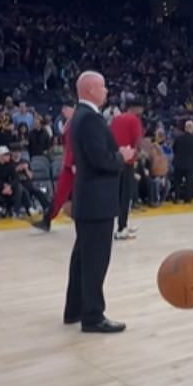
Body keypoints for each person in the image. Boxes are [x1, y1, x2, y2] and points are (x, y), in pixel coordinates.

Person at [61, 72, 129, 333]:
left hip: (89, 199)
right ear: (90, 89)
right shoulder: (90, 119)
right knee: (95, 261)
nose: (106, 90)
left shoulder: (80, 116)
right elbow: (101, 160)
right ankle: (92, 316)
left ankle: (74, 309)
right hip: (97, 200)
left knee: (82, 258)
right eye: (102, 86)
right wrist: (121, 156)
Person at [31, 103, 75, 234]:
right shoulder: (67, 123)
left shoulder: (75, 124)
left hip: (73, 164)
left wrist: (74, 162)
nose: (63, 111)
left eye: (66, 108)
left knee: (69, 194)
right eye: (63, 108)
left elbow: (74, 146)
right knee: (59, 194)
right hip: (68, 164)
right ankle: (47, 220)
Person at [111, 97, 144, 240]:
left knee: (118, 195)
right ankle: (121, 228)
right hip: (128, 160)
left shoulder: (116, 119)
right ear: (136, 108)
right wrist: (139, 156)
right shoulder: (134, 120)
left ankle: (122, 223)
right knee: (125, 196)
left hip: (115, 159)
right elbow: (138, 141)